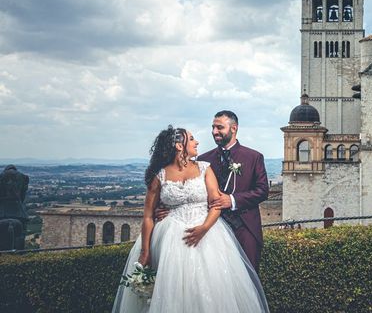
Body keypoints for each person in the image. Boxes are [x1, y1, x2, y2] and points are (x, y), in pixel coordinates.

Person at [112, 126, 269, 313]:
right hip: (170, 237)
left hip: (208, 235)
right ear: (179, 145)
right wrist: (146, 251)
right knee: (172, 288)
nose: (197, 142)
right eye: (192, 138)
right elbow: (147, 215)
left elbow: (216, 203)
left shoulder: (204, 168)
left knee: (210, 287)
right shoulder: (159, 175)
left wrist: (204, 228)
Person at [198, 110, 269, 272]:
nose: (214, 132)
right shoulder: (203, 160)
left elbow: (263, 190)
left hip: (245, 228)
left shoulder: (253, 157)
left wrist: (233, 200)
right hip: (211, 229)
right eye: (213, 127)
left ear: (234, 128)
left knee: (248, 278)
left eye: (219, 127)